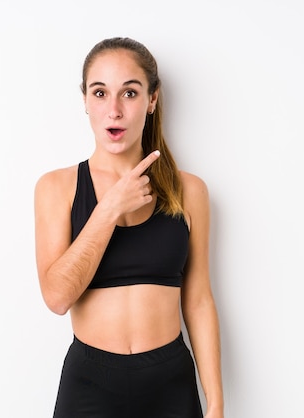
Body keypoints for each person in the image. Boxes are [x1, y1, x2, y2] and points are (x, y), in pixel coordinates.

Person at [34, 37, 224, 418]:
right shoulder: (57, 188)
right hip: (90, 385)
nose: (114, 110)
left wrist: (216, 405)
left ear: (152, 100)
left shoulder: (190, 191)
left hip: (170, 385)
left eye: (130, 93)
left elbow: (199, 300)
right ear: (85, 101)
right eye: (100, 92)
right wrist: (109, 210)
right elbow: (57, 298)